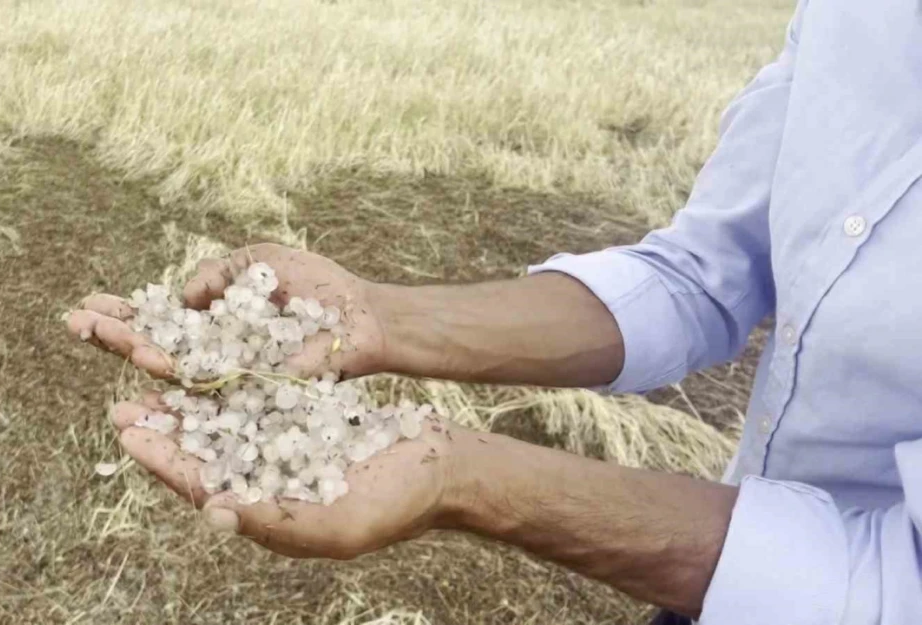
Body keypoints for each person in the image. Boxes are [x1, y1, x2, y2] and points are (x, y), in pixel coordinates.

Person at [66, 1, 922, 622]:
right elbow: (700, 275)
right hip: (705, 589)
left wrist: (465, 475)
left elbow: (894, 583)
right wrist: (379, 316)